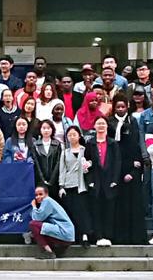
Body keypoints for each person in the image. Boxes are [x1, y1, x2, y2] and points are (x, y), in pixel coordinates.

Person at [108, 95, 146, 245]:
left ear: (127, 107)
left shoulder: (133, 121)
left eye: (123, 107)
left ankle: (136, 237)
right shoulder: (110, 122)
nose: (121, 109)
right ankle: (120, 237)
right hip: (116, 166)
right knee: (119, 204)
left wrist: (137, 162)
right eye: (118, 107)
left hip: (132, 165)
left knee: (134, 203)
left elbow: (136, 142)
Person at [84, 116, 120, 247]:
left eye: (103, 123)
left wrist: (115, 179)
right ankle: (98, 236)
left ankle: (108, 236)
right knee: (96, 210)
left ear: (107, 126)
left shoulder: (113, 143)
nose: (101, 126)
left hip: (109, 181)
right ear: (94, 126)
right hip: (95, 182)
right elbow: (86, 163)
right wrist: (90, 181)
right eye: (98, 123)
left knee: (109, 211)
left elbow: (117, 162)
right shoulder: (90, 144)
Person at [58, 125, 92, 248]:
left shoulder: (85, 150)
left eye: (74, 134)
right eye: (69, 135)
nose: (72, 137)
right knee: (71, 211)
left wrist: (88, 165)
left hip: (82, 184)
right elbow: (62, 170)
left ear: (79, 136)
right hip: (69, 185)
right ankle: (73, 236)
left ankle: (85, 235)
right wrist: (61, 186)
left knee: (83, 211)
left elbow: (91, 162)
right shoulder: (65, 152)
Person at [29, 186, 75, 259]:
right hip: (67, 237)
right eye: (36, 195)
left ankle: (49, 252)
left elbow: (37, 218)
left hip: (63, 232)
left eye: (41, 194)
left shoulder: (47, 200)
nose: (38, 197)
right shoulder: (49, 202)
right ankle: (52, 251)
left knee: (33, 224)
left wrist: (34, 206)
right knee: (37, 232)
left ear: (46, 194)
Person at [33, 120, 61, 196]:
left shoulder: (57, 144)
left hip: (55, 181)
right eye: (44, 128)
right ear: (40, 130)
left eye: (48, 128)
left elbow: (58, 162)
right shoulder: (35, 145)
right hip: (40, 181)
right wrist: (42, 179)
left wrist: (52, 179)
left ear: (52, 129)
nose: (46, 130)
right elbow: (36, 164)